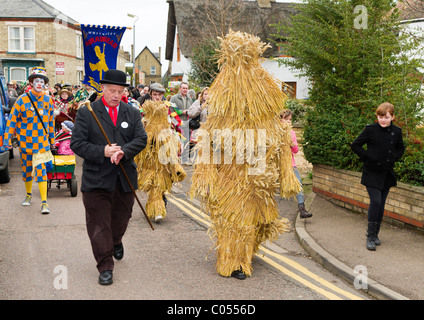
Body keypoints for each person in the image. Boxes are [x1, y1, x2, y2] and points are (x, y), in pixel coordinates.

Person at [70, 69, 147, 285]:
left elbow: (141, 138)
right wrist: (102, 151)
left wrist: (124, 151)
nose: (116, 95)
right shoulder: (87, 112)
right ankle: (105, 265)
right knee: (98, 224)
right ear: (102, 89)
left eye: (120, 91)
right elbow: (77, 143)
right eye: (112, 90)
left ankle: (116, 240)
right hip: (96, 179)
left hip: (124, 178)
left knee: (121, 219)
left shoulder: (131, 113)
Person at [351, 102, 405, 251]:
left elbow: (401, 148)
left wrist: (393, 158)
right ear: (377, 116)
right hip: (372, 172)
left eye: (386, 117)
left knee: (381, 204)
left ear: (392, 117)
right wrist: (368, 157)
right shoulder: (370, 130)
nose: (383, 120)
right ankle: (369, 236)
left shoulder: (397, 131)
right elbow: (355, 145)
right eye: (381, 116)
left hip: (387, 173)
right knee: (375, 201)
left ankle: (376, 235)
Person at [4, 67, 55, 214]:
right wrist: (7, 140)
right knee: (26, 172)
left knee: (41, 171)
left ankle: (44, 203)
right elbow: (12, 121)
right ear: (31, 83)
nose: (39, 84)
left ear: (45, 84)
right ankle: (28, 194)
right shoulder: (22, 100)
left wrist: (52, 140)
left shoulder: (48, 100)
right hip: (25, 143)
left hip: (41, 144)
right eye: (37, 81)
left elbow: (51, 122)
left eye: (42, 81)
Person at [135, 83, 186, 222]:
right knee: (151, 177)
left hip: (165, 147)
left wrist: (176, 140)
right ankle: (156, 205)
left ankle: (160, 201)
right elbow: (138, 124)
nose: (157, 97)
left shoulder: (169, 107)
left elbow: (177, 124)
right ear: (150, 94)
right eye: (155, 94)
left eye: (160, 95)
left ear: (163, 95)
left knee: (163, 177)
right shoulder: (144, 107)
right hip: (149, 149)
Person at [280, 110, 312, 219]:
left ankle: (302, 209)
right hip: (278, 166)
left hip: (290, 164)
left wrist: (292, 144)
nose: (288, 122)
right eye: (286, 119)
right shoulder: (275, 132)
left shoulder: (292, 133)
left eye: (290, 119)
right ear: (279, 120)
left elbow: (296, 150)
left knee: (298, 184)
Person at [186, 87, 209, 163]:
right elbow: (190, 113)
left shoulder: (214, 104)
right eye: (205, 94)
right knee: (199, 152)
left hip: (210, 131)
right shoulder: (197, 102)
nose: (207, 96)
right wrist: (200, 108)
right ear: (202, 95)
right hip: (199, 131)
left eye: (209, 94)